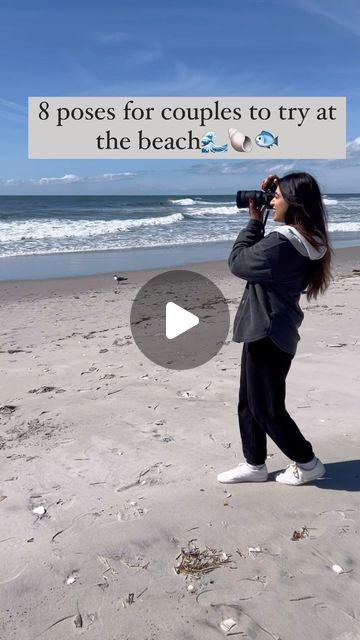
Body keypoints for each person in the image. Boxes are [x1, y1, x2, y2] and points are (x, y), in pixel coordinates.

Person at [217, 172, 334, 486]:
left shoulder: (282, 244)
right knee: (249, 401)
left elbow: (238, 263)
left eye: (277, 197)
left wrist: (255, 222)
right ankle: (254, 463)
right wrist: (276, 190)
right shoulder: (310, 239)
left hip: (267, 329)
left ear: (294, 203)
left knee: (266, 408)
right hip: (274, 326)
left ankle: (308, 463)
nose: (271, 201)